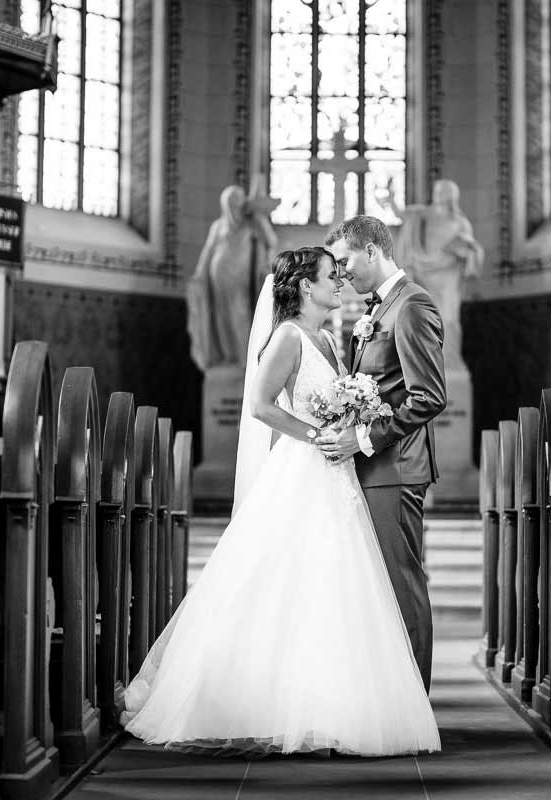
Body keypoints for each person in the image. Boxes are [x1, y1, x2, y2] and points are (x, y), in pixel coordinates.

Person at [122, 246, 441, 757]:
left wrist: (351, 422)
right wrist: (318, 433)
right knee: (285, 578)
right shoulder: (289, 337)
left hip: (337, 473)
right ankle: (262, 698)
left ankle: (326, 700)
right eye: (329, 277)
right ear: (305, 288)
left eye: (340, 273)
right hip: (305, 469)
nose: (338, 282)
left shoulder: (330, 338)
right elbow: (260, 406)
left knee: (335, 583)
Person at [316, 215, 448, 694]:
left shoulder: (412, 305)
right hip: (372, 469)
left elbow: (428, 397)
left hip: (394, 469)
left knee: (402, 583)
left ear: (373, 250)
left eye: (346, 261)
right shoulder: (376, 309)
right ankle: (386, 695)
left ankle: (414, 700)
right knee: (378, 588)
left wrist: (364, 439)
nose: (343, 274)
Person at [379, 178, 483, 371]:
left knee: (449, 319)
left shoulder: (460, 222)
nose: (439, 195)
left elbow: (471, 249)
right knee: (422, 316)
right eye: (437, 191)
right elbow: (401, 214)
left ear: (452, 196)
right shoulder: (422, 214)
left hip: (448, 276)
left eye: (443, 192)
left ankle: (449, 362)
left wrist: (467, 252)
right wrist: (391, 198)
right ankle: (426, 362)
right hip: (421, 272)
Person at [186, 184, 278, 371]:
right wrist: (199, 274)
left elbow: (271, 241)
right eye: (231, 203)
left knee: (241, 313)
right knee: (221, 315)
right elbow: (208, 251)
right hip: (218, 275)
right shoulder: (218, 226)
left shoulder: (251, 224)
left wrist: (260, 218)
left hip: (240, 277)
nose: (235, 207)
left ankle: (243, 357)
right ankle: (228, 356)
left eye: (238, 201)